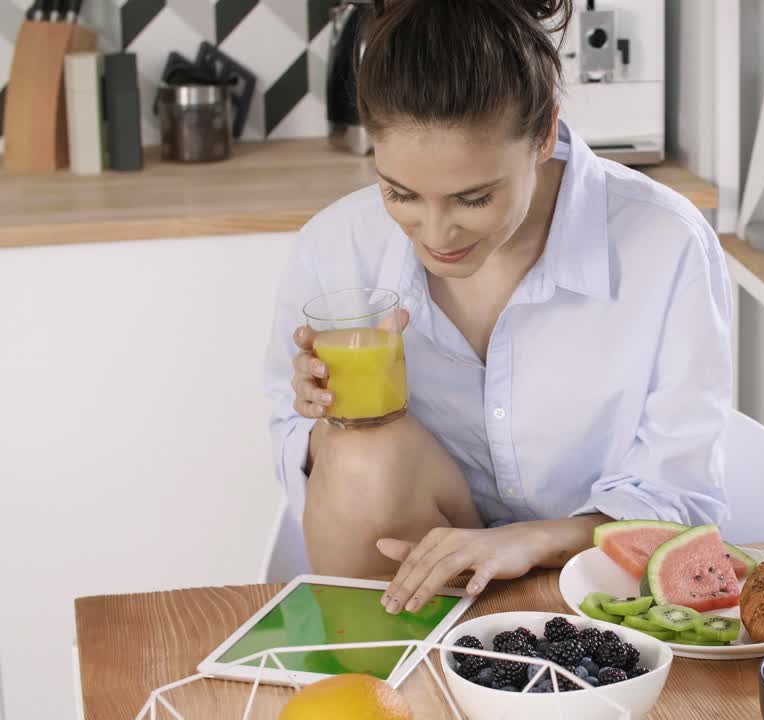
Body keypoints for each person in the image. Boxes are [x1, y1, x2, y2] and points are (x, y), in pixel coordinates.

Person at [265, 0, 732, 615]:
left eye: (473, 199)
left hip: (597, 579)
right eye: (400, 193)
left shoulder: (665, 241)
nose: (436, 234)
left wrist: (531, 541)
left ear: (544, 135)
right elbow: (295, 446)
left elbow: (681, 495)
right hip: (413, 579)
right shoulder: (337, 245)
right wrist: (326, 419)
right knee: (356, 450)